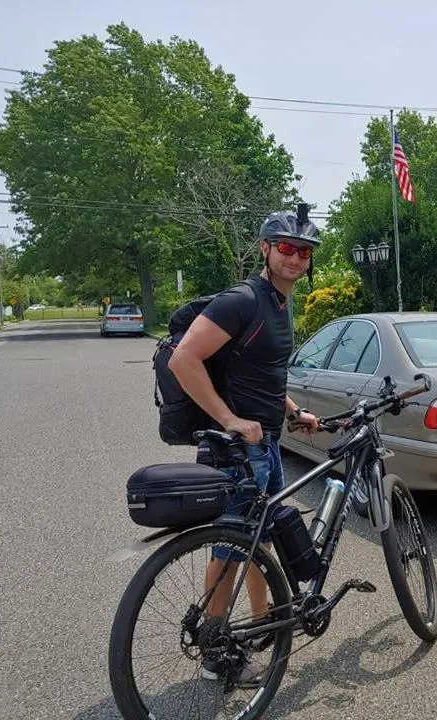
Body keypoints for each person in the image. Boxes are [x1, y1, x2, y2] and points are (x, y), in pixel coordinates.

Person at [168, 208, 321, 682]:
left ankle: (261, 626)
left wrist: (293, 411)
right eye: (286, 248)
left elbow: (263, 375)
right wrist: (232, 420)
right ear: (265, 249)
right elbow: (183, 359)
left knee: (260, 539)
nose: (294, 257)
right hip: (237, 449)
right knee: (231, 547)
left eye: (303, 251)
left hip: (268, 444)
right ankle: (216, 650)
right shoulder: (244, 300)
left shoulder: (279, 301)